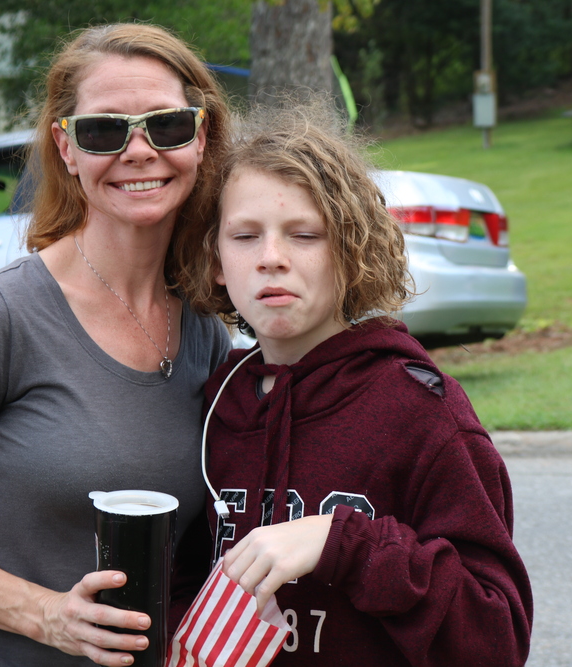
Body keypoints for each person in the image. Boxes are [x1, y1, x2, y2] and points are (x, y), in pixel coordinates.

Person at [0, 24, 231, 667]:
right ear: (66, 147)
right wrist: (48, 616)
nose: (140, 151)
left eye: (166, 125)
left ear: (200, 138)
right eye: (105, 131)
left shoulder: (203, 330)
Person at [178, 103, 533, 666]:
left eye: (304, 235)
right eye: (245, 236)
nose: (271, 259)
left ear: (350, 250)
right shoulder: (220, 403)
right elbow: (186, 581)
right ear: (216, 259)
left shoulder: (419, 410)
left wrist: (343, 544)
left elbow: (496, 638)